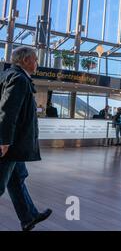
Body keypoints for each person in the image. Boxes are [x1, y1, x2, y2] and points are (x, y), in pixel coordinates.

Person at [0, 46, 52, 231]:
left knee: (17, 179)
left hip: (13, 143)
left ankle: (29, 217)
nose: (37, 63)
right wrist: (4, 141)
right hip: (10, 144)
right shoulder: (19, 79)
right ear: (26, 61)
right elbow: (8, 111)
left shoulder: (7, 75)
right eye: (35, 59)